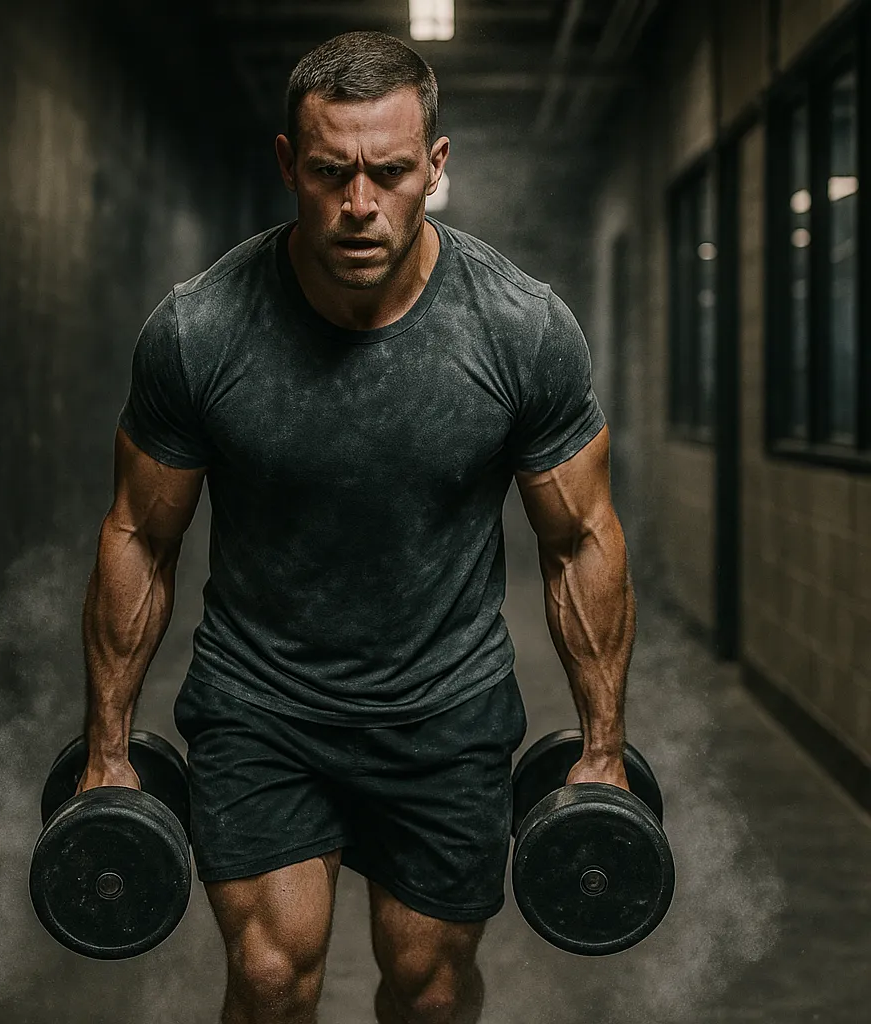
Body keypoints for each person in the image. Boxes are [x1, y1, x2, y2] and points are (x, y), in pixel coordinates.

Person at [77, 29, 635, 1024]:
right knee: (268, 982)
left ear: (436, 165)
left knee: (427, 994)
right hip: (262, 704)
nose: (360, 206)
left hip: (445, 708)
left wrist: (601, 746)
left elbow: (580, 538)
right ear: (290, 165)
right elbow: (139, 537)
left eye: (388, 171)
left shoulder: (519, 329)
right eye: (332, 173)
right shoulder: (200, 332)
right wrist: (108, 747)